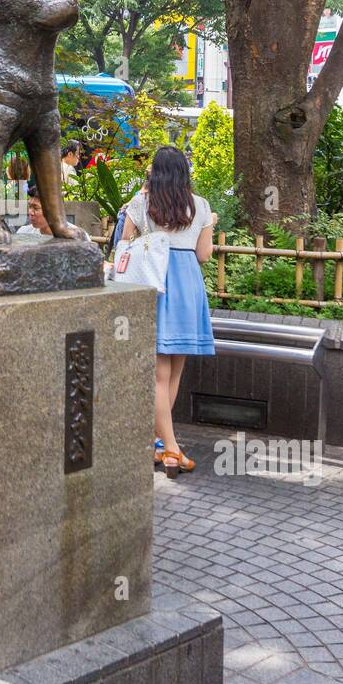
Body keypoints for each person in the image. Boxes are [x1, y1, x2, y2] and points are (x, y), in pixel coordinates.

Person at [120, 145, 215, 476]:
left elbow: (124, 242)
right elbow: (204, 255)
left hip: (157, 282)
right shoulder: (200, 206)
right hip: (188, 284)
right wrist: (210, 224)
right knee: (174, 372)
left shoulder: (142, 203)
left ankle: (162, 445)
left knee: (160, 374)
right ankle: (169, 447)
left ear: (154, 172)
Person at [16, 189, 90, 241]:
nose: (30, 212)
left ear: (54, 210)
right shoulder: (24, 233)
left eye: (35, 208)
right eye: (30, 207)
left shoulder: (78, 236)